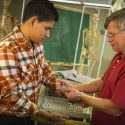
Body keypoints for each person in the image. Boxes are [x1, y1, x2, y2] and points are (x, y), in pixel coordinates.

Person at [0, 0, 69, 125]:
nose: (48, 35)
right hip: (10, 119)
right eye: (46, 28)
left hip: (30, 114)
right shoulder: (7, 49)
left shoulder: (37, 45)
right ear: (33, 21)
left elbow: (44, 71)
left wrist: (62, 88)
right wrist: (45, 114)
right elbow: (12, 97)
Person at [63, 8, 125, 125]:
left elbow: (115, 109)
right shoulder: (118, 56)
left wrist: (81, 96)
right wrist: (76, 87)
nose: (109, 40)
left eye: (112, 34)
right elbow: (103, 81)